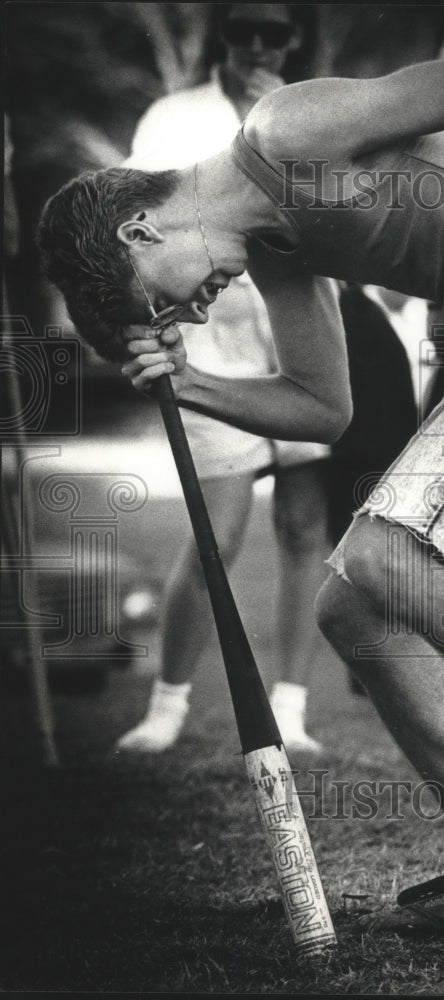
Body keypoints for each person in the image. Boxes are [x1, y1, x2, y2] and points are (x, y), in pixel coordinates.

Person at [38, 54, 444, 935]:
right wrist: (187, 383)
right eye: (174, 328)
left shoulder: (283, 132)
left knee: (391, 554)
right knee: (351, 601)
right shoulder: (276, 243)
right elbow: (323, 411)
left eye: (162, 309)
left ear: (138, 233)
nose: (190, 318)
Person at [115, 3, 329, 755]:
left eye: (275, 32)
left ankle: (292, 709)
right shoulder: (173, 117)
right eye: (245, 30)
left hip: (299, 335)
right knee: (218, 531)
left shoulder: (313, 111)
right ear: (224, 35)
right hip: (204, 337)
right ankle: (167, 707)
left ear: (294, 38)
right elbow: (134, 219)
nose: (258, 45)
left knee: (306, 524)